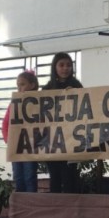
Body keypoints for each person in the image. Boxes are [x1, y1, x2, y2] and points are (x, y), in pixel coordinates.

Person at [42, 52, 83, 193]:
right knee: (55, 178)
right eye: (61, 65)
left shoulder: (77, 86)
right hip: (53, 142)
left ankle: (72, 213)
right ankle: (56, 212)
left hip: (72, 140)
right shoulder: (46, 89)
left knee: (70, 178)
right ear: (55, 67)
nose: (65, 68)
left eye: (68, 65)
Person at [2, 70, 39, 192]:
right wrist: (9, 140)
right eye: (18, 85)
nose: (19, 88)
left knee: (29, 177)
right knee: (18, 177)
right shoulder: (14, 103)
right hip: (16, 146)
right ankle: (21, 206)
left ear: (32, 85)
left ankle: (31, 206)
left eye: (22, 84)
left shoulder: (40, 101)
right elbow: (6, 123)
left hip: (32, 147)